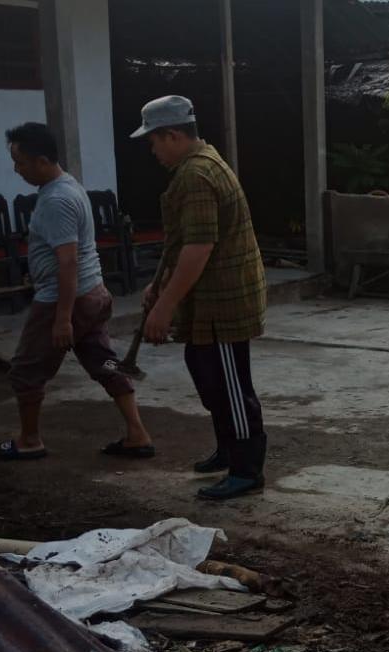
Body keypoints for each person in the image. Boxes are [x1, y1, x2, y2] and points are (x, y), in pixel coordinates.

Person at [0, 122, 153, 462]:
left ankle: (29, 440)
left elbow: (68, 263)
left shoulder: (57, 200)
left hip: (65, 299)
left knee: (25, 369)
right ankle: (137, 434)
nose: (16, 169)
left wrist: (62, 319)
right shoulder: (67, 187)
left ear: (43, 160)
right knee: (105, 363)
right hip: (92, 293)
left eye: (20, 162)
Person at [133, 95, 267, 501]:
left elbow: (199, 247)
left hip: (221, 302)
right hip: (211, 298)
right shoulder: (203, 162)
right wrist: (160, 286)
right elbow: (186, 244)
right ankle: (228, 449)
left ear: (172, 135)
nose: (153, 151)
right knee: (208, 374)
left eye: (154, 141)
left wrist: (165, 305)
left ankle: (246, 469)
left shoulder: (196, 175)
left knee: (229, 384)